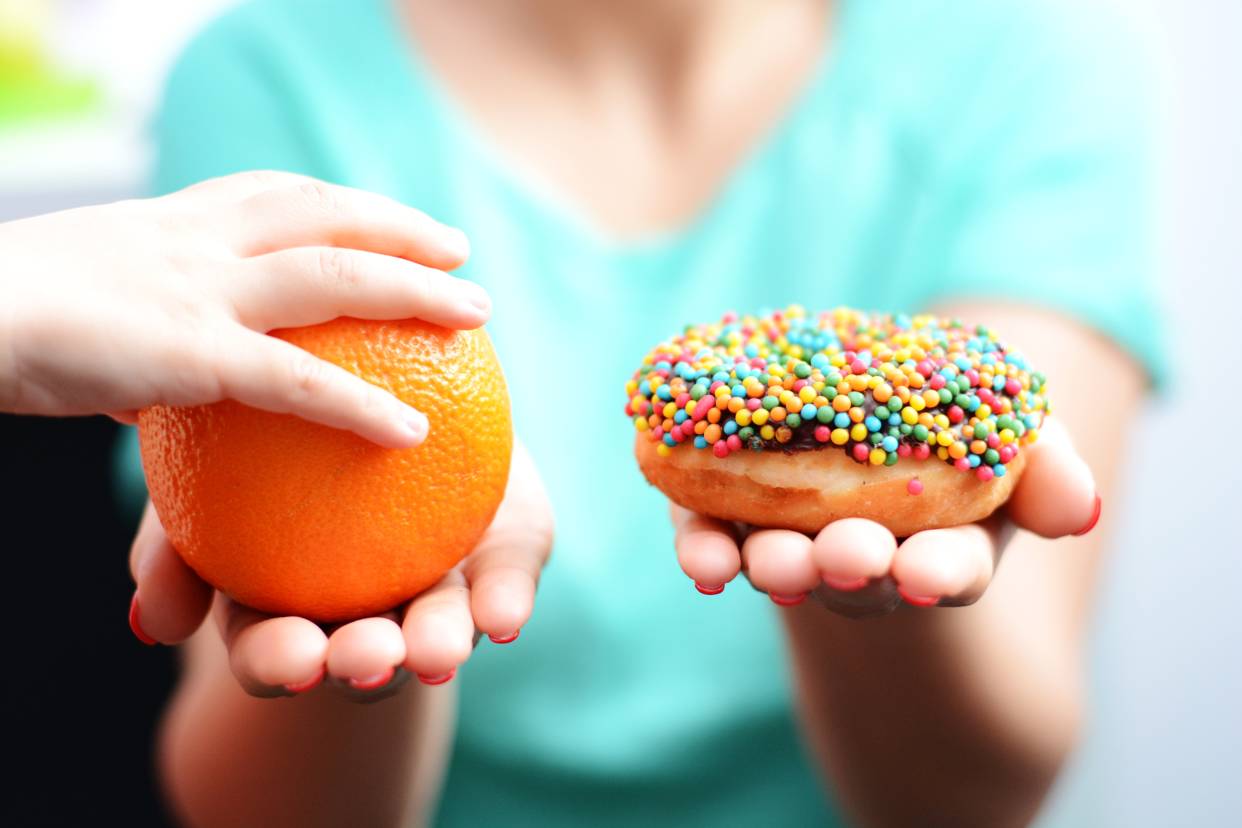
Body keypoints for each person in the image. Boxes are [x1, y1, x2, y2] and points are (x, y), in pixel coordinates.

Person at [138, 0, 1157, 826]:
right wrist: (361, 600)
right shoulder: (267, 75)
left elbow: (974, 802)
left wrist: (863, 583)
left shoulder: (1026, 63)